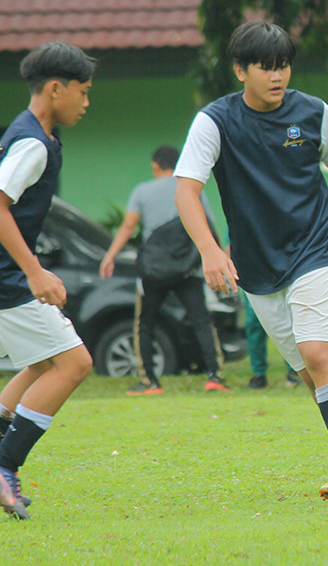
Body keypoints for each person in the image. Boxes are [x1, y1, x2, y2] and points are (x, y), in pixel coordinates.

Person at [173, 20, 328, 503]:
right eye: (266, 67)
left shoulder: (314, 113)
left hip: (313, 251)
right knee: (312, 376)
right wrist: (210, 249)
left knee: (320, 355)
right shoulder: (215, 121)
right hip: (256, 267)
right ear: (240, 71)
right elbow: (186, 190)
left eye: (283, 66)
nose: (277, 76)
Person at [0, 42, 96, 520]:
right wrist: (33, 270)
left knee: (43, 363)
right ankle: (5, 465)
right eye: (83, 91)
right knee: (74, 363)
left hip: (9, 275)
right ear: (56, 88)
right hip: (7, 280)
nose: (86, 102)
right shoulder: (33, 143)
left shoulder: (36, 136)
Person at [101, 146, 228, 395]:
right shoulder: (191, 190)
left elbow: (128, 226)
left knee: (145, 323)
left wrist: (110, 255)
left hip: (154, 270)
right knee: (202, 320)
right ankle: (215, 377)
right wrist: (220, 256)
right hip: (187, 269)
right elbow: (208, 225)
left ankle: (150, 381)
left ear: (155, 166)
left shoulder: (142, 191)